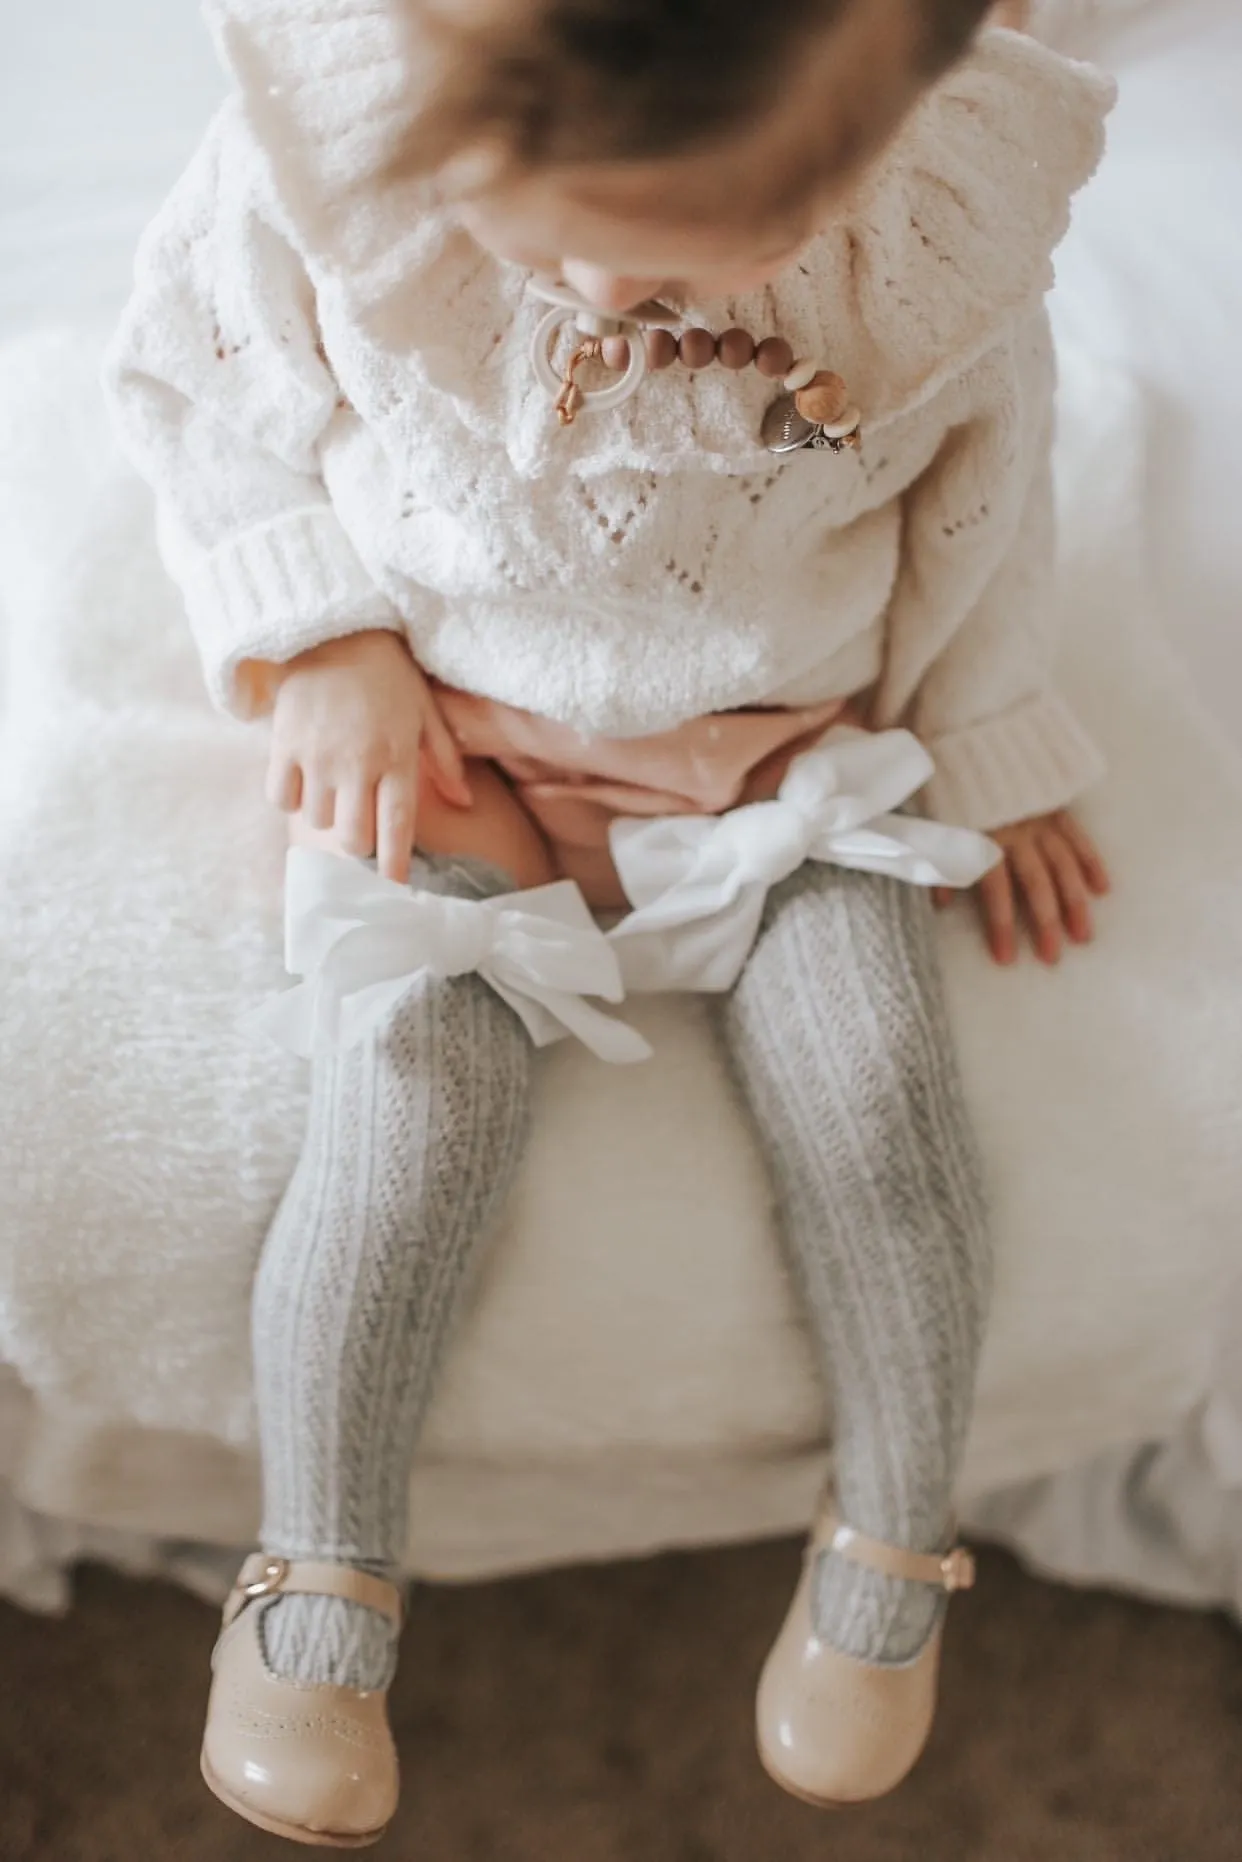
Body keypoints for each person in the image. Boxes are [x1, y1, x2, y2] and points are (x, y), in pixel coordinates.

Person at [106, 0, 1113, 1843]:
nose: (596, 287)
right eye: (546, 218)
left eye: (688, 238)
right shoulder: (338, 178)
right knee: (417, 1102)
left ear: (868, 140)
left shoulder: (933, 245)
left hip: (778, 746)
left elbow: (989, 505)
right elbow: (198, 387)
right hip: (462, 728)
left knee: (878, 1095)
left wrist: (988, 737)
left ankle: (893, 1545)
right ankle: (317, 1580)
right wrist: (319, 636)